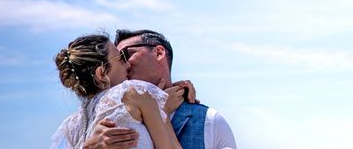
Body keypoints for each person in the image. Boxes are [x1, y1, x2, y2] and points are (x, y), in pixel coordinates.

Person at [83, 29, 236, 149]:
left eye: (126, 54)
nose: (125, 65)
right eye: (118, 59)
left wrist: (159, 110)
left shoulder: (210, 121)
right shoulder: (100, 118)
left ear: (159, 53)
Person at [51, 33, 182, 149]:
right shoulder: (135, 92)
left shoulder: (71, 125)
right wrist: (162, 111)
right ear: (102, 73)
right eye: (121, 59)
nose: (128, 64)